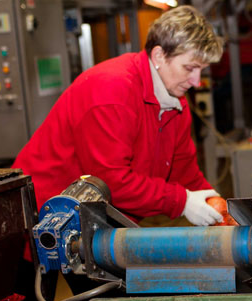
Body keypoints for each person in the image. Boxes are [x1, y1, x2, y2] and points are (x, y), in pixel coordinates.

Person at [12, 5, 225, 226]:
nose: (196, 81)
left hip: (92, 220)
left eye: (202, 70)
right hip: (42, 220)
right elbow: (110, 182)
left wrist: (220, 210)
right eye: (190, 68)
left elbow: (184, 172)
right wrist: (182, 202)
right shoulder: (113, 91)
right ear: (159, 55)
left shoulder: (175, 102)